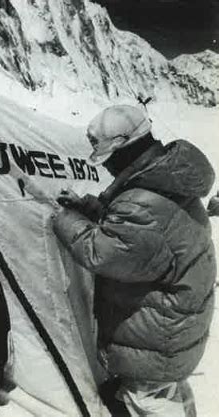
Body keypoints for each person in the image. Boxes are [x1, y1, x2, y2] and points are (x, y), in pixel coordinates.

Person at [52, 104, 217, 417]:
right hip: (178, 325)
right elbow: (148, 234)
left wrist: (63, 219)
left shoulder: (140, 201)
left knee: (148, 399)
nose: (108, 169)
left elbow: (103, 252)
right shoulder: (169, 179)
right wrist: (90, 208)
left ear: (122, 151)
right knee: (168, 390)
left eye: (109, 160)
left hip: (158, 335)